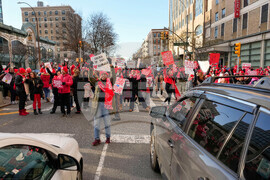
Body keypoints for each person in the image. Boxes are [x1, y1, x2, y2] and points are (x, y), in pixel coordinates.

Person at [90, 65, 116, 146]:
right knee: (97, 123)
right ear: (100, 75)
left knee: (107, 122)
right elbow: (90, 78)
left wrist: (112, 68)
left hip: (106, 105)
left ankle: (108, 137)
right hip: (97, 105)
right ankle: (97, 139)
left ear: (107, 75)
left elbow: (114, 77)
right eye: (102, 74)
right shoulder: (97, 82)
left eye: (105, 74)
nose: (103, 76)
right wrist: (91, 69)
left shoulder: (110, 82)